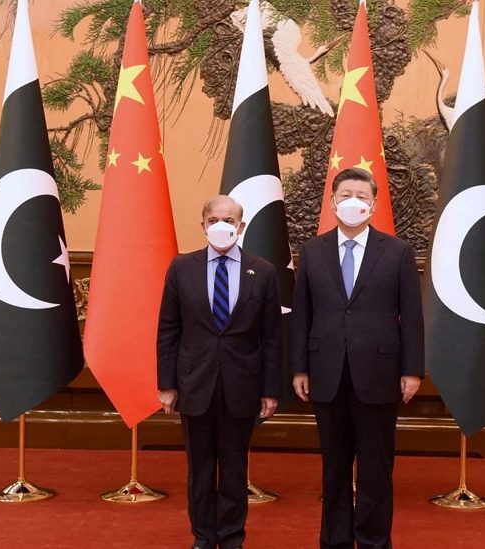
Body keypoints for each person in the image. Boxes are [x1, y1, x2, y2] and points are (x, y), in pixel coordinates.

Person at [291, 168, 424, 549]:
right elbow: (303, 314)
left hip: (380, 374)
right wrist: (299, 366)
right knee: (333, 467)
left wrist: (412, 370)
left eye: (361, 195)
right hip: (326, 373)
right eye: (345, 193)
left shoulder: (397, 251)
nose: (353, 201)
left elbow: (411, 316)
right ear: (332, 201)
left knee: (376, 469)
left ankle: (373, 541)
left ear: (373, 204)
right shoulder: (312, 250)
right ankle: (333, 541)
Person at [157, 195, 282, 549]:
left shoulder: (263, 270)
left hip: (241, 386)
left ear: (241, 227)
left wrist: (270, 389)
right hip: (194, 385)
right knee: (199, 468)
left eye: (229, 219)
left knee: (233, 468)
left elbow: (272, 336)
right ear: (203, 225)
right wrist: (166, 384)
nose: (221, 225)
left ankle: (230, 536)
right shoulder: (181, 268)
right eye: (214, 219)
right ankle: (202, 535)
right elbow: (168, 329)